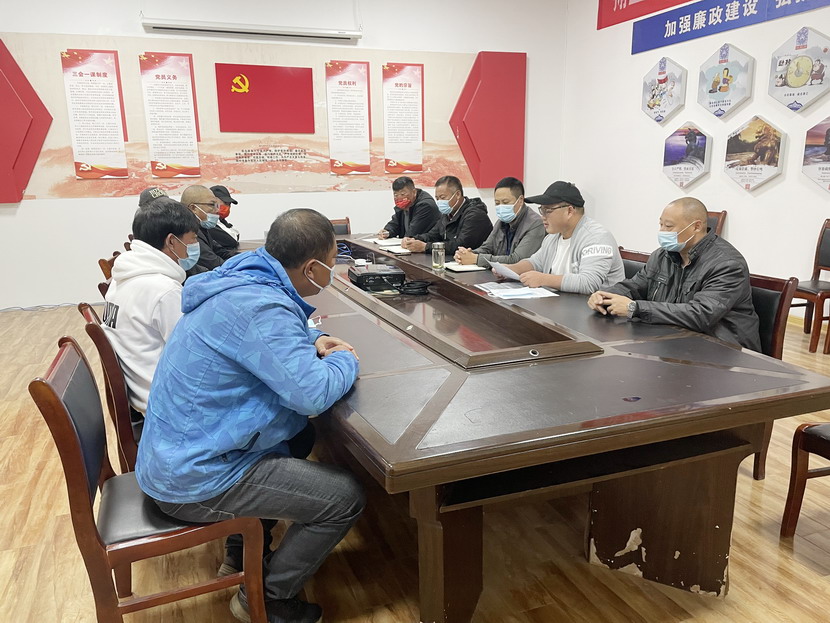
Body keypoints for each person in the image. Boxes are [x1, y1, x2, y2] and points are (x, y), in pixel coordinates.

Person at [136, 208, 364, 623]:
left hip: (173, 456)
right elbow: (312, 395)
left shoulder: (244, 280)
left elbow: (270, 336)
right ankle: (268, 599)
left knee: (299, 437)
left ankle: (242, 552)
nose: (331, 272)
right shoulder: (260, 307)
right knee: (344, 498)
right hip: (193, 479)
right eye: (332, 264)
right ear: (312, 268)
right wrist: (345, 359)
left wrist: (314, 337)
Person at [587, 197, 761, 351]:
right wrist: (605, 295)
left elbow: (701, 314)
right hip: (675, 341)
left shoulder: (727, 264)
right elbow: (635, 286)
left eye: (669, 226)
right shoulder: (662, 255)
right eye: (660, 224)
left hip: (723, 350)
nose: (662, 231)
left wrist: (635, 308)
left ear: (696, 226)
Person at [102, 197, 201, 415]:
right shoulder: (163, 291)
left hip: (142, 391)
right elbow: (193, 356)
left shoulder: (122, 276)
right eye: (193, 239)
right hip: (168, 406)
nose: (195, 246)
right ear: (172, 241)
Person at [502, 181, 624, 294]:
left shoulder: (597, 237)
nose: (542, 216)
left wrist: (543, 279)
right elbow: (536, 262)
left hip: (597, 308)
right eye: (541, 210)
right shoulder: (553, 237)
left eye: (548, 210)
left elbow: (588, 283)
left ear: (569, 211)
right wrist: (510, 269)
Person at [454, 176, 545, 267]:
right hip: (498, 273)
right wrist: (467, 254)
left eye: (505, 202)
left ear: (520, 200)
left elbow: (517, 260)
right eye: (497, 203)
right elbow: (487, 248)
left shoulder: (535, 224)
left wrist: (476, 259)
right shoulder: (502, 221)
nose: (501, 207)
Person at [401, 175, 492, 256]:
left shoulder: (475, 215)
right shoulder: (448, 213)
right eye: (437, 198)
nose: (440, 202)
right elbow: (433, 235)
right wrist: (412, 239)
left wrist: (426, 247)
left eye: (443, 197)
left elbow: (461, 244)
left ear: (457, 194)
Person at [180, 185, 236, 271]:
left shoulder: (202, 227)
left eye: (217, 205)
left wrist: (248, 257)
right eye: (212, 205)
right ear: (193, 208)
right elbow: (215, 264)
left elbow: (221, 251)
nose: (217, 210)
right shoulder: (187, 231)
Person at [210, 184, 242, 256]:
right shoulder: (209, 223)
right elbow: (232, 240)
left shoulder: (221, 221)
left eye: (229, 204)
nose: (227, 207)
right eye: (225, 203)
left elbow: (236, 234)